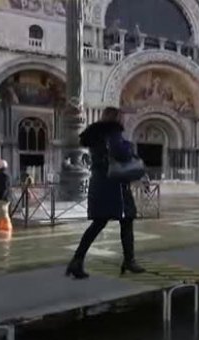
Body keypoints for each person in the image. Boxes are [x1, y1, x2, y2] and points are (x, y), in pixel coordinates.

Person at [66, 107, 145, 280]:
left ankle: (77, 261)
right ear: (117, 118)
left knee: (98, 223)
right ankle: (129, 261)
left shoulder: (94, 135)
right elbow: (121, 153)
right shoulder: (113, 131)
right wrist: (129, 147)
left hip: (99, 183)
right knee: (127, 220)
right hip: (115, 186)